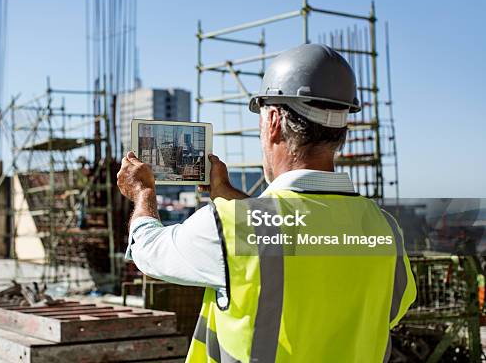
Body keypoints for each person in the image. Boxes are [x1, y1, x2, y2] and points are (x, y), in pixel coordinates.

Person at [117, 44, 416, 362]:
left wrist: (142, 194)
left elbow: (149, 251)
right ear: (342, 129)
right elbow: (390, 310)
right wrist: (227, 194)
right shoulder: (384, 228)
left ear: (273, 121)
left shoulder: (230, 227)